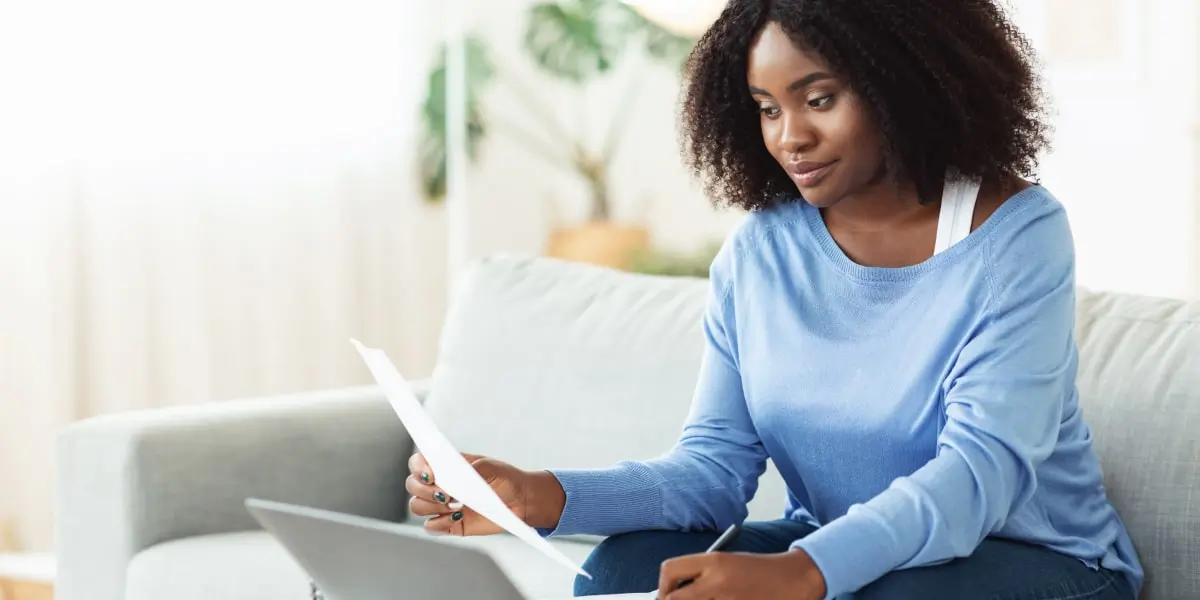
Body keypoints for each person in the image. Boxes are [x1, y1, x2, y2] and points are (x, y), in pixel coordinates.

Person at [406, 1, 1144, 598]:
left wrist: (804, 571)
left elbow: (978, 477)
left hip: (1038, 561)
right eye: (766, 107)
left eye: (819, 99)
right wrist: (539, 496)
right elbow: (712, 472)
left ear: (907, 82)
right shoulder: (762, 251)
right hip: (841, 556)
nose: (790, 137)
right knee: (628, 571)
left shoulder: (1018, 235)